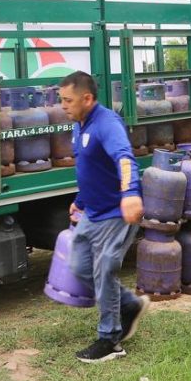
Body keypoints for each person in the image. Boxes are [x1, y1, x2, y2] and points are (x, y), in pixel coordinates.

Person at [58, 71, 149, 363]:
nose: (63, 106)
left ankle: (110, 340)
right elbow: (89, 166)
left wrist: (131, 193)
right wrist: (80, 200)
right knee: (80, 267)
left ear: (87, 98)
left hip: (116, 211)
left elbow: (124, 158)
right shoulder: (79, 124)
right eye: (61, 100)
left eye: (68, 100)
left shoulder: (107, 123)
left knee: (103, 269)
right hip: (92, 212)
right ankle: (129, 305)